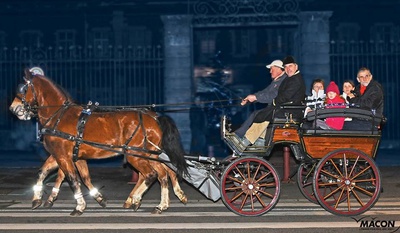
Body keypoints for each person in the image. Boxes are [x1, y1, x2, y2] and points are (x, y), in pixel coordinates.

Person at [229, 55, 306, 145]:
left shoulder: (295, 80)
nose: (288, 69)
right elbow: (268, 93)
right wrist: (253, 98)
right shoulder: (290, 79)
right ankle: (260, 141)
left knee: (263, 114)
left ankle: (247, 140)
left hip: (290, 111)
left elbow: (284, 97)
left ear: (296, 66)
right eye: (286, 67)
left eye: (290, 66)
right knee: (264, 113)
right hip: (286, 108)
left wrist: (272, 102)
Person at [234, 59, 287, 137]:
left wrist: (256, 97)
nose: (270, 72)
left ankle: (239, 135)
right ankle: (245, 136)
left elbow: (272, 95)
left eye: (272, 69)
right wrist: (250, 98)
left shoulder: (283, 81)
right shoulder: (277, 81)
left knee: (256, 115)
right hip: (273, 108)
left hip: (278, 109)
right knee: (256, 114)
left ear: (279, 68)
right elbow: (264, 92)